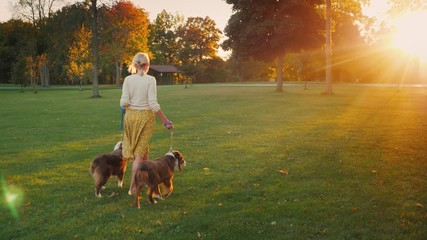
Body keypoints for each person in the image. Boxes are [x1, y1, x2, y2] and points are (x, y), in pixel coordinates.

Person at [120, 52, 174, 195]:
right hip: (145, 118)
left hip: (130, 118)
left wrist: (131, 104)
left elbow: (123, 102)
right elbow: (153, 103)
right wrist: (165, 121)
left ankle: (149, 180)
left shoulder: (127, 80)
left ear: (135, 65)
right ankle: (133, 188)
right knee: (139, 156)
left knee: (144, 151)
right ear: (147, 65)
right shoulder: (150, 80)